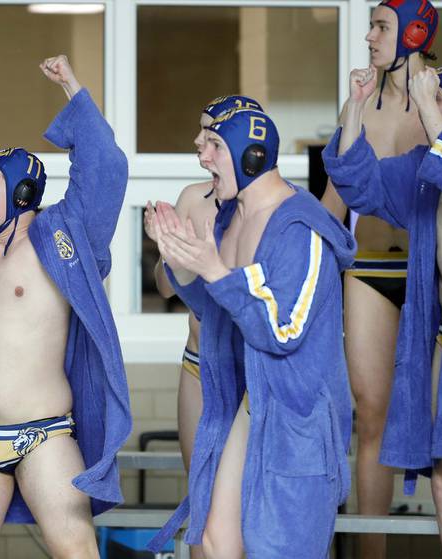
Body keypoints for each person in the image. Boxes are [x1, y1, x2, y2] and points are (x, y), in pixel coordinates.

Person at [0, 29, 130, 558]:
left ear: (21, 194)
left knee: (76, 550)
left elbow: (104, 166)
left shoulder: (59, 236)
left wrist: (72, 87)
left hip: (44, 434)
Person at [149, 107, 355, 558]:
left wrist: (216, 271)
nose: (201, 156)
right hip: (246, 405)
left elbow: (285, 329)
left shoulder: (301, 228)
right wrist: (182, 263)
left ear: (251, 156)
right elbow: (218, 311)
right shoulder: (230, 217)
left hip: (295, 419)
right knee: (216, 541)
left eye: (213, 146)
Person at [323, 64, 442, 556]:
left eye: (434, 104)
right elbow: (357, 183)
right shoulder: (423, 169)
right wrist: (355, 108)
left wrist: (435, 117)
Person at [320, 2, 438, 556]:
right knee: (370, 416)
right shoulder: (359, 105)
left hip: (428, 274)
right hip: (368, 271)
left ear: (416, 33)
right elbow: (332, 201)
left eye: (381, 27)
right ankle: (373, 553)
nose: (368, 37)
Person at [143, 94, 262, 559]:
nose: (198, 144)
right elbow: (167, 289)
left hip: (253, 375)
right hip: (200, 367)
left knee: (249, 508)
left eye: (209, 135)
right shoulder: (193, 198)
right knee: (203, 500)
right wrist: (171, 253)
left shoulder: (270, 206)